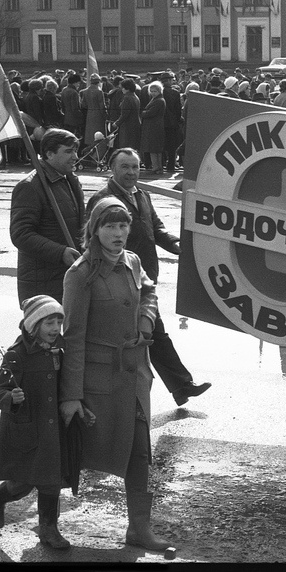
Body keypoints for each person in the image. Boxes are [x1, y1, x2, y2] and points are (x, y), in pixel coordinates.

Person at [59, 197, 173, 552]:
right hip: (97, 383)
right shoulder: (79, 274)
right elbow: (72, 338)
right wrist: (71, 395)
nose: (119, 233)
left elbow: (149, 289)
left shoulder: (133, 261)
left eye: (124, 225)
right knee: (66, 455)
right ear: (95, 229)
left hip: (134, 376)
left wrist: (145, 319)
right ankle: (7, 492)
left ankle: (139, 529)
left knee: (139, 452)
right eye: (110, 226)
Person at [88, 148, 212, 406]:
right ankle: (171, 387)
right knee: (146, 333)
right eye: (125, 167)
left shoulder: (142, 195)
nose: (132, 172)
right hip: (119, 277)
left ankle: (179, 386)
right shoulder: (103, 199)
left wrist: (179, 245)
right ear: (112, 168)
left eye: (135, 166)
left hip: (144, 276)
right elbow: (91, 239)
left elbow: (155, 228)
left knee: (152, 331)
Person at [0, 295, 73, 549]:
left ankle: (48, 529)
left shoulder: (61, 350)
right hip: (28, 429)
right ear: (34, 326)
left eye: (58, 322)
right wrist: (11, 397)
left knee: (51, 480)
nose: (55, 328)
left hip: (53, 429)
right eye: (49, 323)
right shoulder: (16, 355)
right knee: (23, 483)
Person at [10, 128, 84, 304]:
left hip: (68, 276)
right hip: (43, 283)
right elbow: (21, 234)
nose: (75, 156)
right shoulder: (30, 186)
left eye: (75, 150)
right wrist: (60, 252)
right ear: (49, 154)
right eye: (68, 151)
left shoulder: (69, 180)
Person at [140, 81, 166, 176]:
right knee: (156, 149)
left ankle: (156, 167)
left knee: (153, 149)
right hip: (155, 126)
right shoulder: (158, 99)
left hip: (154, 126)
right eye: (151, 91)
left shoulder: (158, 101)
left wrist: (143, 113)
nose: (152, 93)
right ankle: (158, 167)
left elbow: (150, 113)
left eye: (155, 91)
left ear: (159, 91)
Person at [114, 78, 141, 152]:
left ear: (127, 88)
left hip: (127, 127)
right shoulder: (135, 97)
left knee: (126, 147)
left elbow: (124, 114)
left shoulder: (127, 98)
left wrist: (116, 123)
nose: (122, 89)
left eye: (123, 87)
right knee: (134, 147)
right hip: (135, 125)